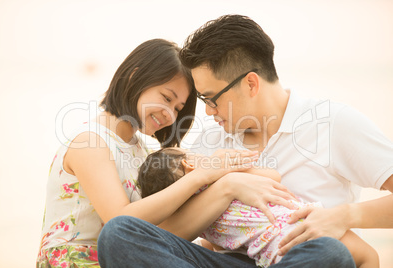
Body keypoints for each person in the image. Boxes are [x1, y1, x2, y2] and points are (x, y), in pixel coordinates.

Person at [177, 13, 393, 261]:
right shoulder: (210, 142)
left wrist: (346, 216)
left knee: (328, 252)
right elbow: (176, 235)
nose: (207, 110)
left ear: (250, 84)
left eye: (211, 98)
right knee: (127, 232)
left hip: (306, 259)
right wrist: (226, 188)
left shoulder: (332, 123)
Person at [37, 38, 252, 267]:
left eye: (178, 108)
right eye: (166, 98)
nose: (170, 115)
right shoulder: (90, 142)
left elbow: (161, 231)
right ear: (135, 77)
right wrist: (203, 175)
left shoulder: (146, 150)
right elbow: (120, 222)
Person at [137, 147, 379, 268]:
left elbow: (216, 246)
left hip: (275, 253)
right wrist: (229, 166)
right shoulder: (223, 179)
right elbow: (273, 175)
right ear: (190, 165)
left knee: (342, 254)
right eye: (193, 153)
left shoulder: (202, 224)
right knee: (365, 255)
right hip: (301, 228)